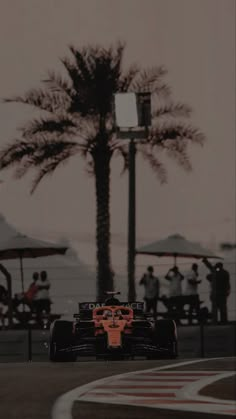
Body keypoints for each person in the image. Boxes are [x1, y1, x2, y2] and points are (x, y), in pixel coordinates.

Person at [202, 258, 230, 324]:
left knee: (215, 309)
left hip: (216, 294)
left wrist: (205, 261)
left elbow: (209, 273)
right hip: (223, 293)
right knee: (223, 308)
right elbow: (228, 284)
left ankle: (215, 321)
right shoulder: (225, 273)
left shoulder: (216, 273)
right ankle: (224, 321)